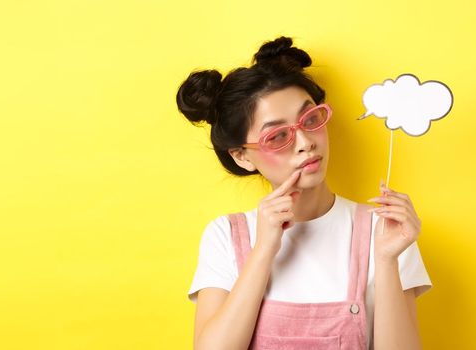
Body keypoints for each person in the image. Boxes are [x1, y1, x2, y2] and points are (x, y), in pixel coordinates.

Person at [175, 36, 432, 350]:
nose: (305, 142)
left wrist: (387, 260)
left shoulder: (386, 230)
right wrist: (264, 249)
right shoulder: (226, 235)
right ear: (241, 156)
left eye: (311, 119)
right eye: (278, 135)